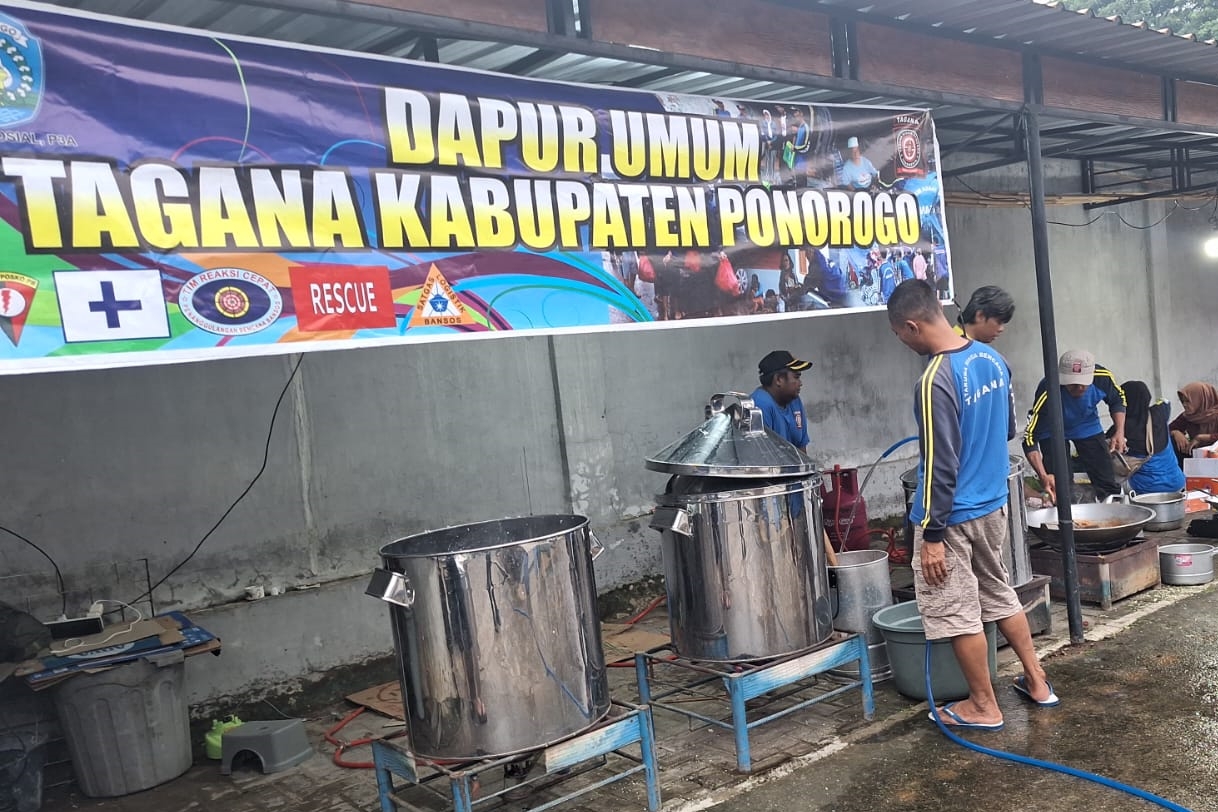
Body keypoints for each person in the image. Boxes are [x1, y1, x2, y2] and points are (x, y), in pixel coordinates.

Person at [887, 279, 1055, 730]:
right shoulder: (992, 359)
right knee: (999, 593)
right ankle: (1037, 681)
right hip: (993, 504)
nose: (902, 343)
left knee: (957, 611)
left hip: (952, 515)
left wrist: (933, 534)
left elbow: (941, 462)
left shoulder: (934, 378)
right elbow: (1005, 431)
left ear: (911, 325)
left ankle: (983, 705)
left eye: (900, 335)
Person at [1023, 349, 1127, 504]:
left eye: (1083, 384)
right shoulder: (1048, 389)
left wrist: (1119, 431)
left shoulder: (1102, 378)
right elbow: (1030, 438)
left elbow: (1118, 400)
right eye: (1072, 384)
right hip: (1052, 430)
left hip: (1087, 424)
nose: (1078, 388)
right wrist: (1044, 476)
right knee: (1061, 484)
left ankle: (1113, 508)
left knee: (1105, 476)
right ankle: (1066, 514)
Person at [1113, 381, 1186, 495]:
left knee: (1112, 479)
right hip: (1177, 484)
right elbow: (1165, 401)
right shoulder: (1160, 413)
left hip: (1146, 490)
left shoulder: (1121, 429)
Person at [751, 350, 811, 451]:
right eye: (796, 377)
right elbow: (763, 458)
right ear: (779, 379)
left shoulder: (794, 400)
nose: (800, 383)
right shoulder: (760, 405)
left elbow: (802, 449)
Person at [1169, 382, 1218, 464]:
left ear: (1200, 399)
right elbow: (1164, 430)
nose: (1184, 405)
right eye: (1183, 401)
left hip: (1215, 456)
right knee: (1171, 441)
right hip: (1197, 457)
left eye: (1188, 401)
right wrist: (1175, 432)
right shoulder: (1188, 416)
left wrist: (1202, 437)